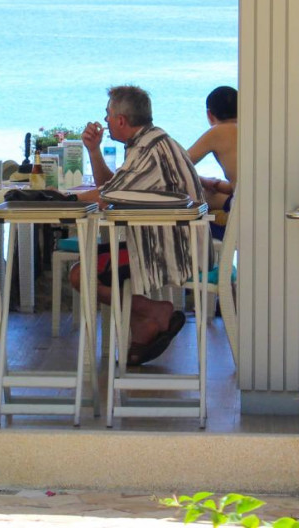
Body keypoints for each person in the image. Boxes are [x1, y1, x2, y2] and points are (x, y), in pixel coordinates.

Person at [77, 85, 208, 366]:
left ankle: (154, 312)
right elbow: (112, 188)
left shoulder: (149, 150)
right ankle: (145, 323)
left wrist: (59, 198)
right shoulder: (151, 141)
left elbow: (105, 197)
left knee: (82, 273)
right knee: (92, 266)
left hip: (172, 250)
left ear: (121, 120)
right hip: (173, 241)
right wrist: (94, 151)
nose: (105, 120)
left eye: (108, 114)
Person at [186, 85, 238, 216]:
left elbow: (177, 167)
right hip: (265, 201)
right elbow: (239, 185)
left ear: (209, 114)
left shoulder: (217, 132)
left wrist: (202, 181)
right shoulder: (255, 128)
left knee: (199, 196)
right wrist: (216, 184)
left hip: (246, 207)